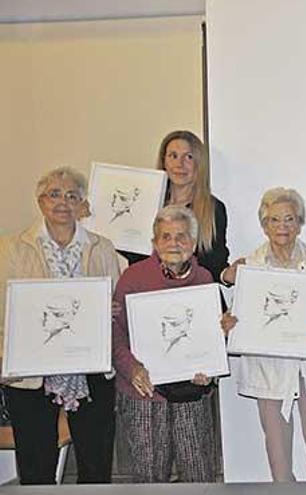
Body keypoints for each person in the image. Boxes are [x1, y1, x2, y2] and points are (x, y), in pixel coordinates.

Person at [0, 167, 120, 485]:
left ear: (82, 204)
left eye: (71, 195)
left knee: (95, 469)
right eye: (54, 194)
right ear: (40, 201)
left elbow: (118, 308)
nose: (62, 202)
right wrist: (6, 361)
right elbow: (4, 312)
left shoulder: (102, 247)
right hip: (30, 375)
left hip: (90, 373)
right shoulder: (10, 249)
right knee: (36, 470)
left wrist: (107, 310)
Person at [220, 187, 306, 481]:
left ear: (300, 223)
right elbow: (236, 317)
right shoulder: (248, 268)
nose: (282, 227)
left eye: (289, 219)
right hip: (269, 371)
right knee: (278, 460)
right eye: (274, 220)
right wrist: (230, 326)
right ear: (264, 225)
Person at [112, 205, 225, 482]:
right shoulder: (133, 277)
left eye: (182, 236)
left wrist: (210, 366)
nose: (174, 243)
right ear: (154, 242)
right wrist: (133, 370)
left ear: (194, 243)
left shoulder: (205, 280)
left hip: (192, 392)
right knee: (149, 476)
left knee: (199, 472)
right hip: (144, 393)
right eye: (166, 236)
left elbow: (211, 337)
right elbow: (115, 333)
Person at [119, 130, 229, 282]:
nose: (179, 164)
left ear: (199, 164)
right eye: (173, 156)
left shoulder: (213, 209)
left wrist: (228, 275)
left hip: (196, 295)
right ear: (164, 161)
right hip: (150, 292)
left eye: (188, 157)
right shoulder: (145, 203)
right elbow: (134, 253)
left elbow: (214, 265)